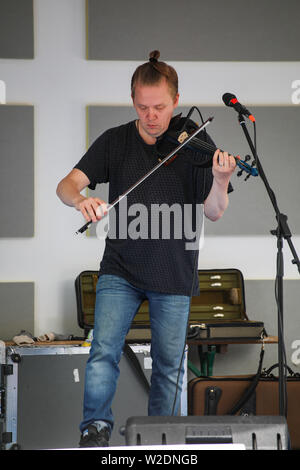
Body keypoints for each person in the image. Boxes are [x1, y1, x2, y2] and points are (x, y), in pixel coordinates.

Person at [56, 50, 236, 447]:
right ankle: (95, 431)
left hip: (173, 270)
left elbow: (214, 211)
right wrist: (80, 198)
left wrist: (221, 180)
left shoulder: (195, 141)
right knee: (103, 350)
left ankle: (163, 440)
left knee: (170, 365)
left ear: (175, 100)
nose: (152, 116)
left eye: (159, 107)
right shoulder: (116, 140)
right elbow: (65, 185)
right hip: (120, 268)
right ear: (133, 101)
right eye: (142, 107)